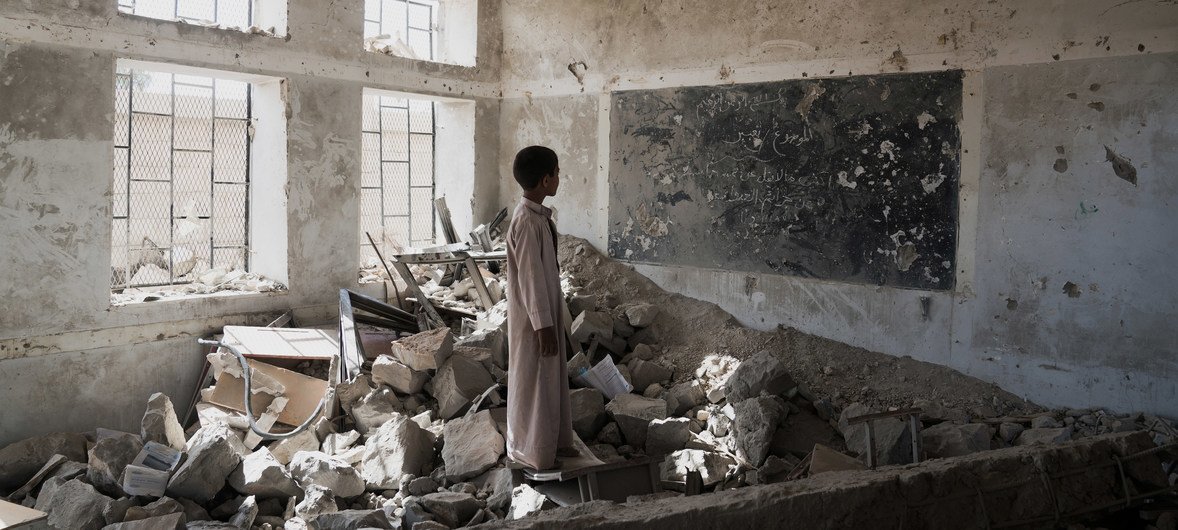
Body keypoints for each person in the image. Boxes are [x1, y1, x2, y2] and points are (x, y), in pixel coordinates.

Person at [504, 145, 576, 470]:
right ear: (546, 180)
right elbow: (531, 278)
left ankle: (555, 442)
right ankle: (532, 450)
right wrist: (543, 325)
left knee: (550, 379)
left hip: (544, 314)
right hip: (534, 321)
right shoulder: (527, 223)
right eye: (557, 173)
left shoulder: (538, 217)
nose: (560, 178)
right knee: (533, 383)